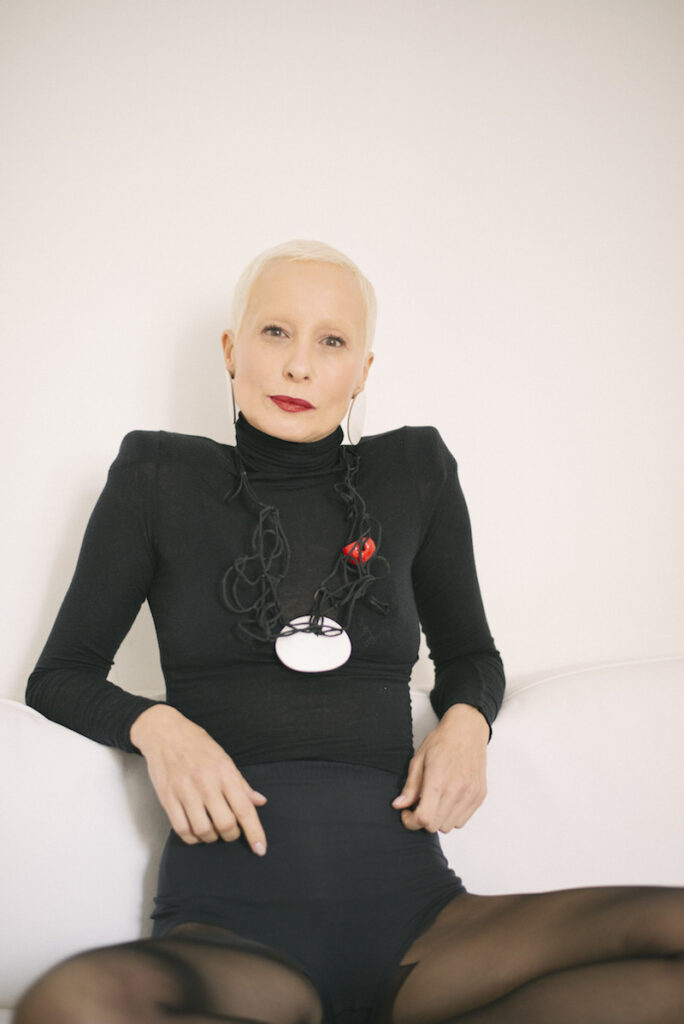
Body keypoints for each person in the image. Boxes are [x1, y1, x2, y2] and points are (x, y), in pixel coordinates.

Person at [14, 240, 683, 1024]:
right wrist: (157, 727)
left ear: (362, 370)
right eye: (275, 332)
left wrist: (469, 721)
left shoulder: (414, 473)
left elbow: (471, 656)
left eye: (331, 341)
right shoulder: (157, 477)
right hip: (234, 933)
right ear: (231, 349)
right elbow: (60, 675)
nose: (299, 366)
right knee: (71, 1001)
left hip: (420, 927)